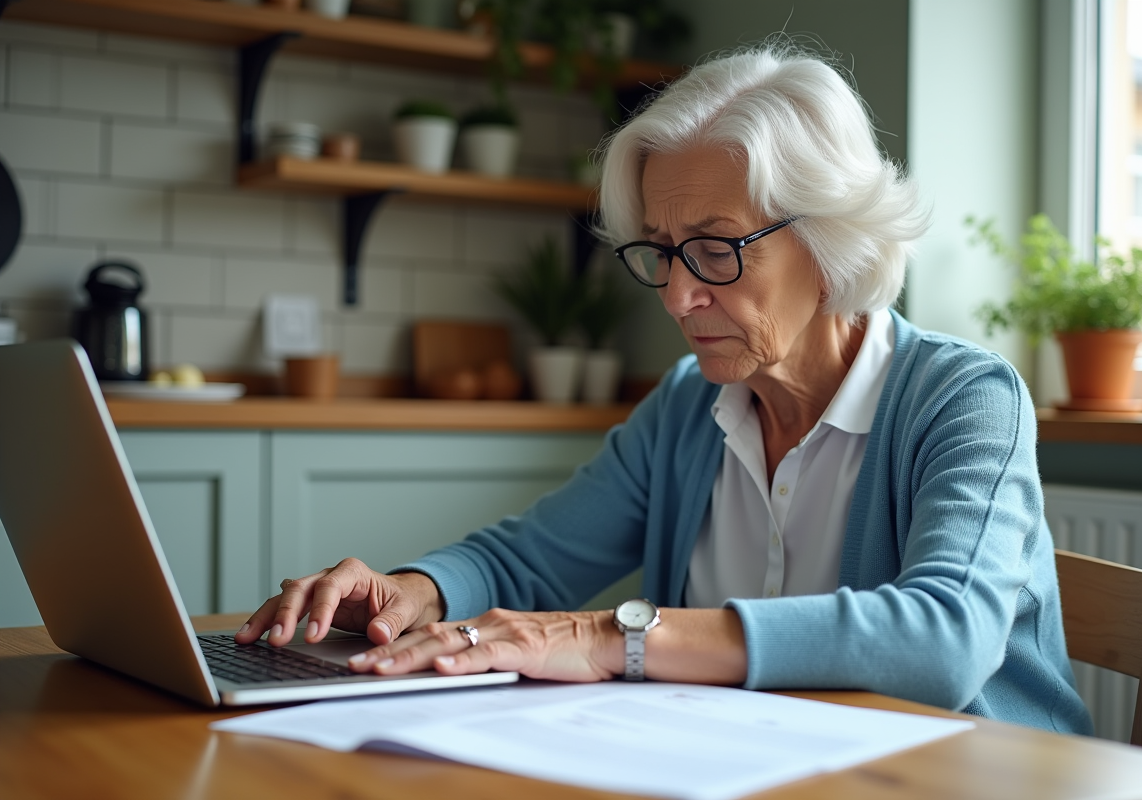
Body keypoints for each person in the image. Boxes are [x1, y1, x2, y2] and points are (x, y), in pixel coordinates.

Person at [237, 44, 1092, 735]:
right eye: (662, 251)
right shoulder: (690, 403)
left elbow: (943, 643)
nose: (680, 298)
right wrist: (409, 591)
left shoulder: (965, 398)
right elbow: (528, 560)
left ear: (832, 241)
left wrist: (613, 635)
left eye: (717, 248)